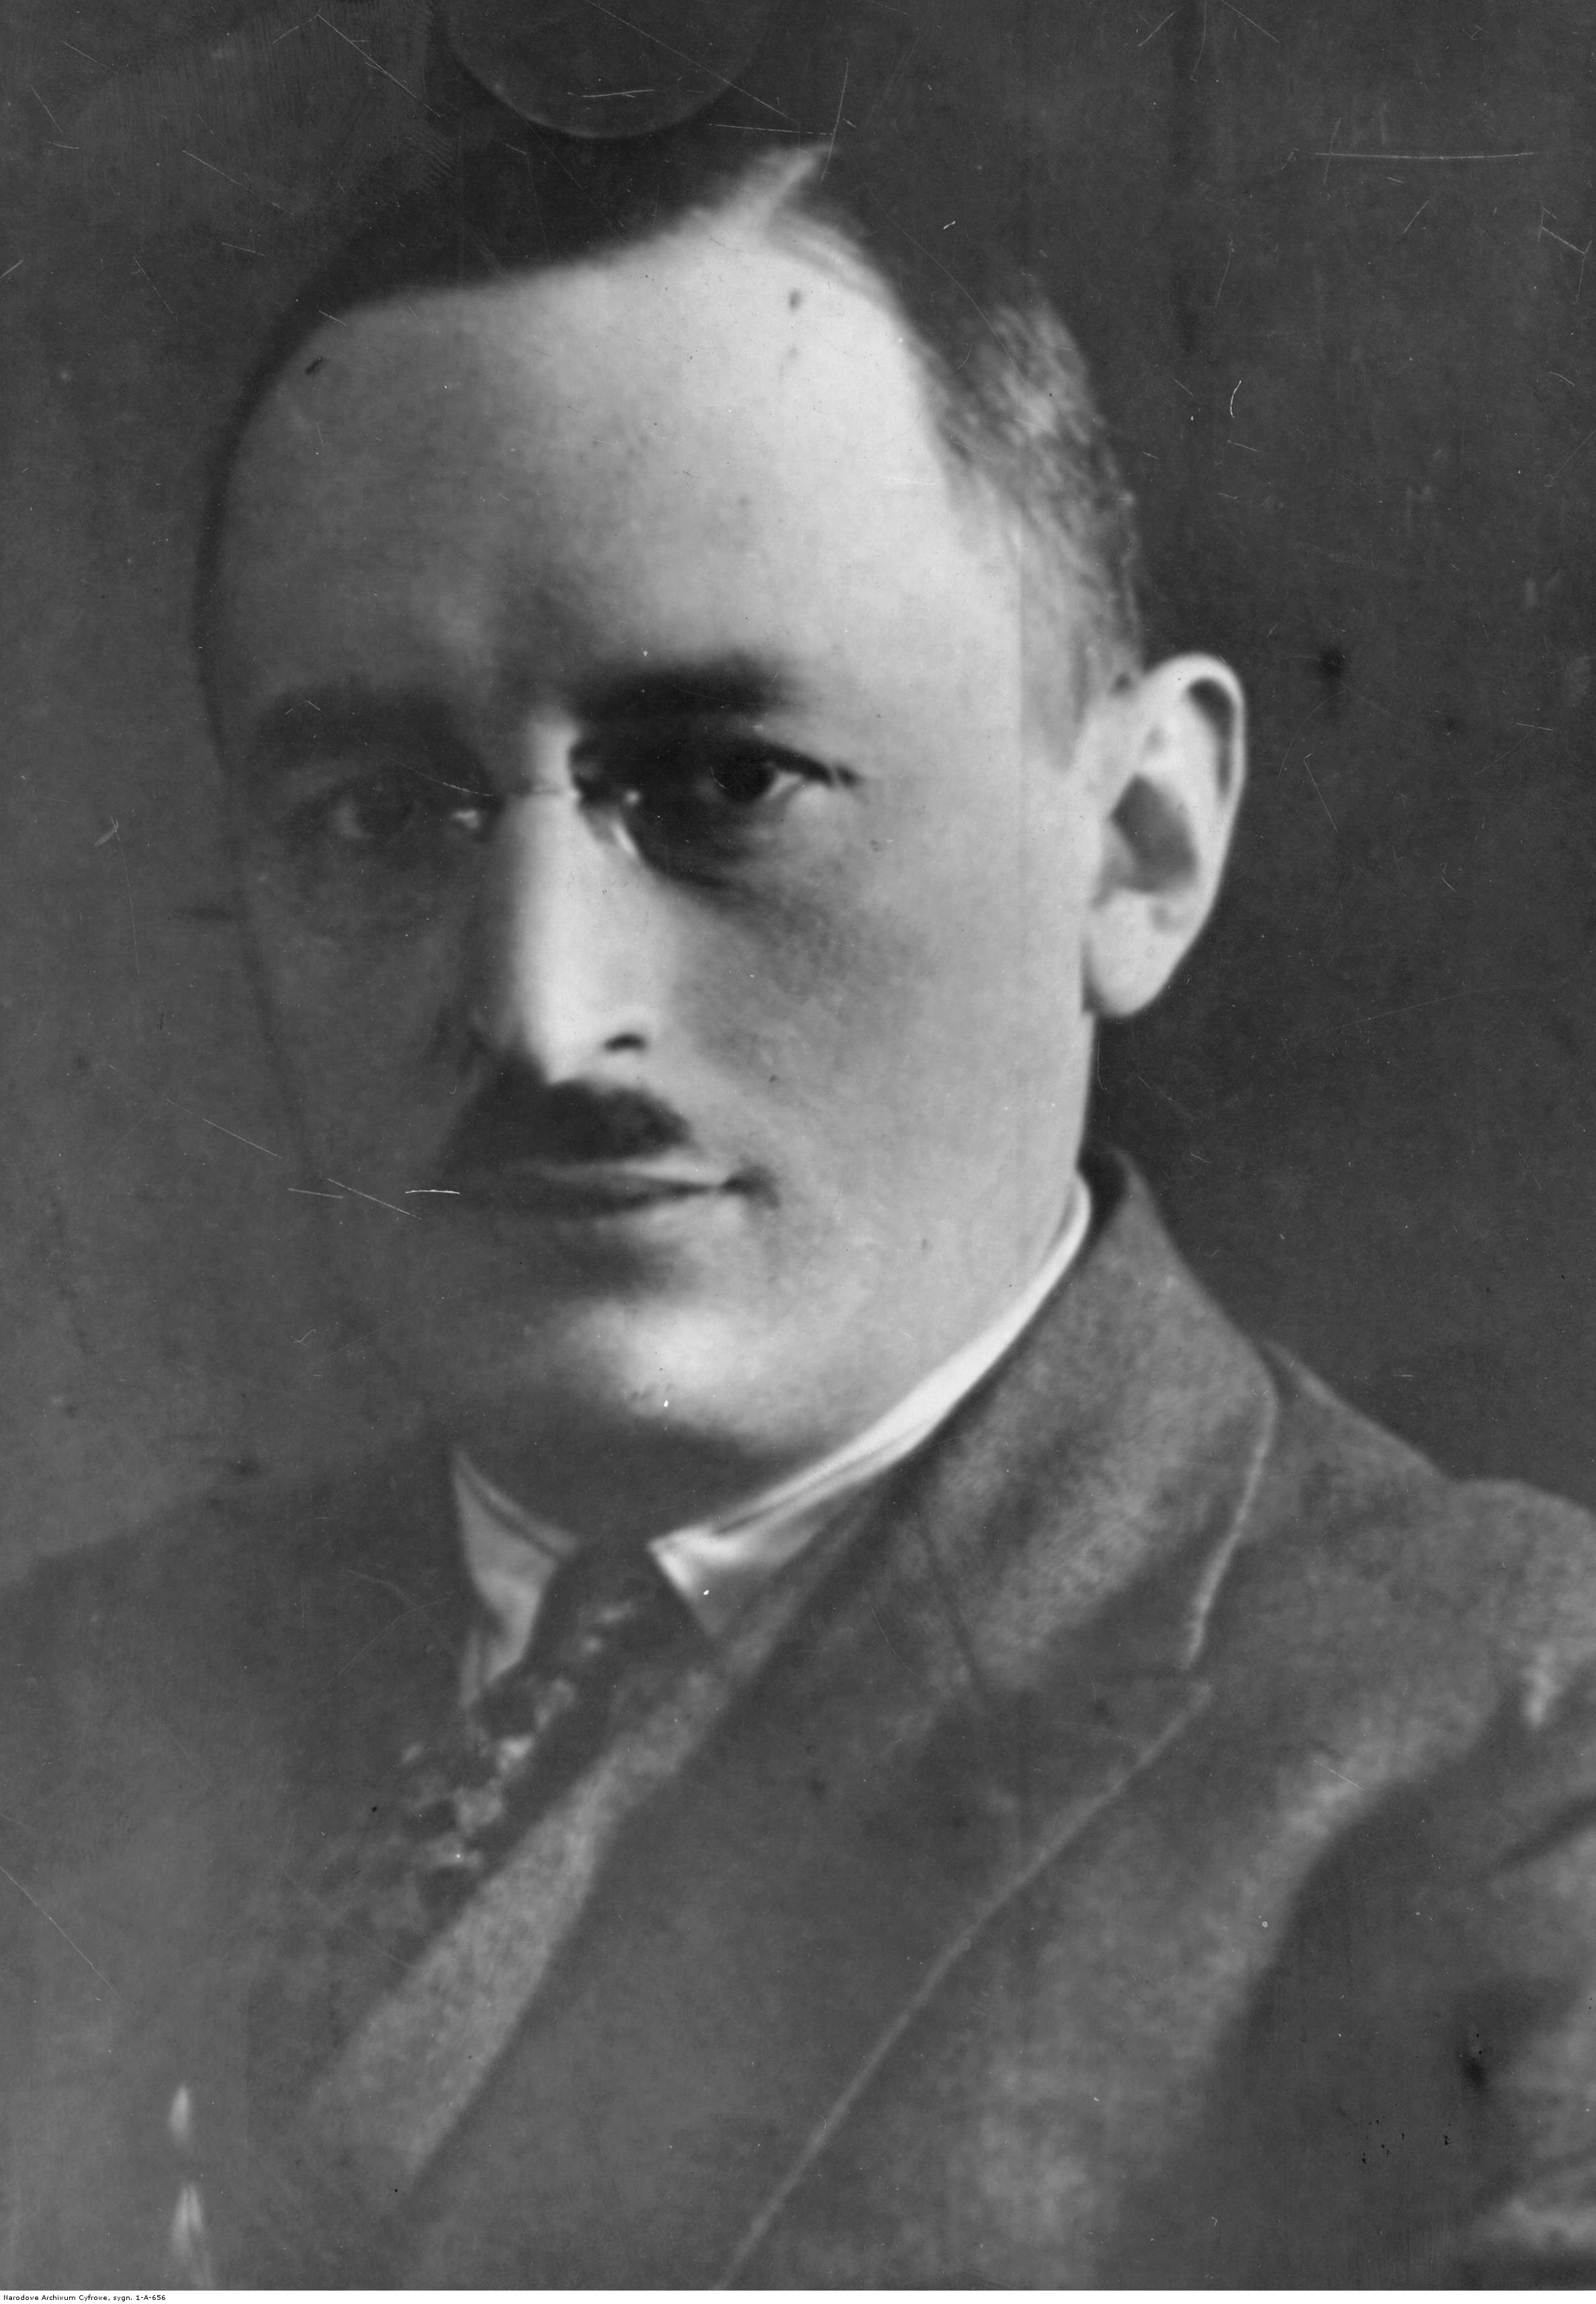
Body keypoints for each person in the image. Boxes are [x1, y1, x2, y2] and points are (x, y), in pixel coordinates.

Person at [5, 104, 1596, 2292]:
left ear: (1138, 845)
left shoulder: (1521, 1787)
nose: (544, 1012)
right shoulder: (63, 1711)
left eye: (725, 784)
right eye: (377, 816)